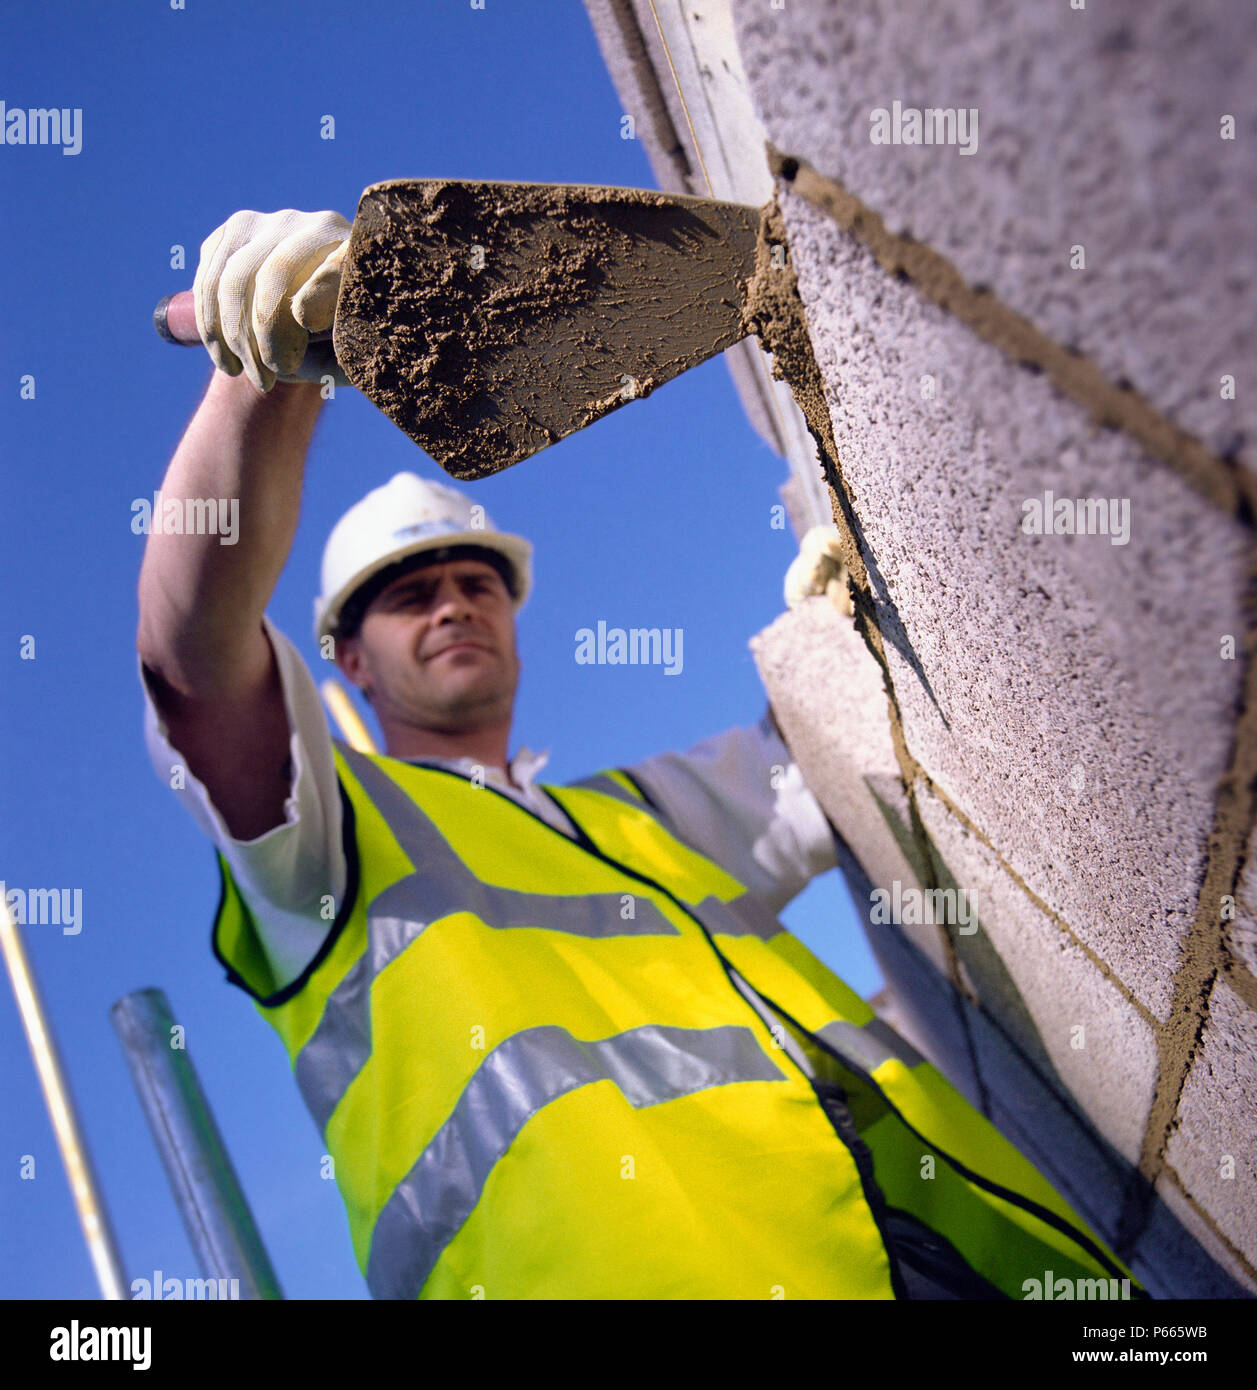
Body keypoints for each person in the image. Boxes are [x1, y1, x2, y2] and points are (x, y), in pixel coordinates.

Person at [137, 209, 1142, 1300]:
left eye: (477, 583)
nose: (453, 607)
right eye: (412, 595)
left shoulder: (642, 815)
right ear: (351, 660)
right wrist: (264, 379)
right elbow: (193, 660)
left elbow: (820, 759)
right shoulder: (322, 858)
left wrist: (848, 623)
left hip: (954, 1255)